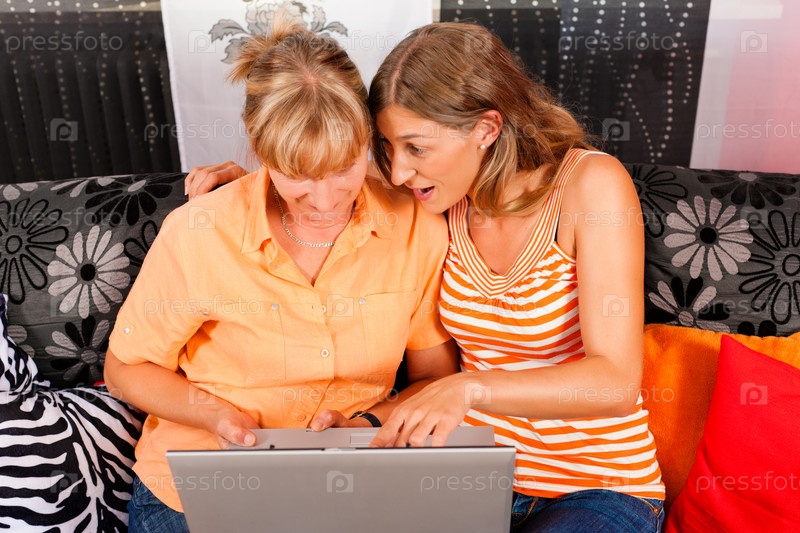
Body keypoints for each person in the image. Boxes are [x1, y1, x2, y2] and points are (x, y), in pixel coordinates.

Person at [190, 21, 664, 533]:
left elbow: (614, 382)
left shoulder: (591, 186)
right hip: (466, 475)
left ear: (486, 128)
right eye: (388, 147)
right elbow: (320, 173)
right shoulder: (435, 198)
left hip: (595, 488)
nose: (397, 171)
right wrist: (250, 187)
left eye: (416, 148)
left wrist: (469, 389)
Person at [103, 21, 458, 533]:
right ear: (259, 147)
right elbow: (125, 368)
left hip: (349, 481)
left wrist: (365, 424)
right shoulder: (200, 231)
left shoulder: (414, 226)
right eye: (299, 175)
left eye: (344, 167)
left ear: (368, 139)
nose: (325, 201)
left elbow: (433, 379)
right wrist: (215, 415)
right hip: (201, 483)